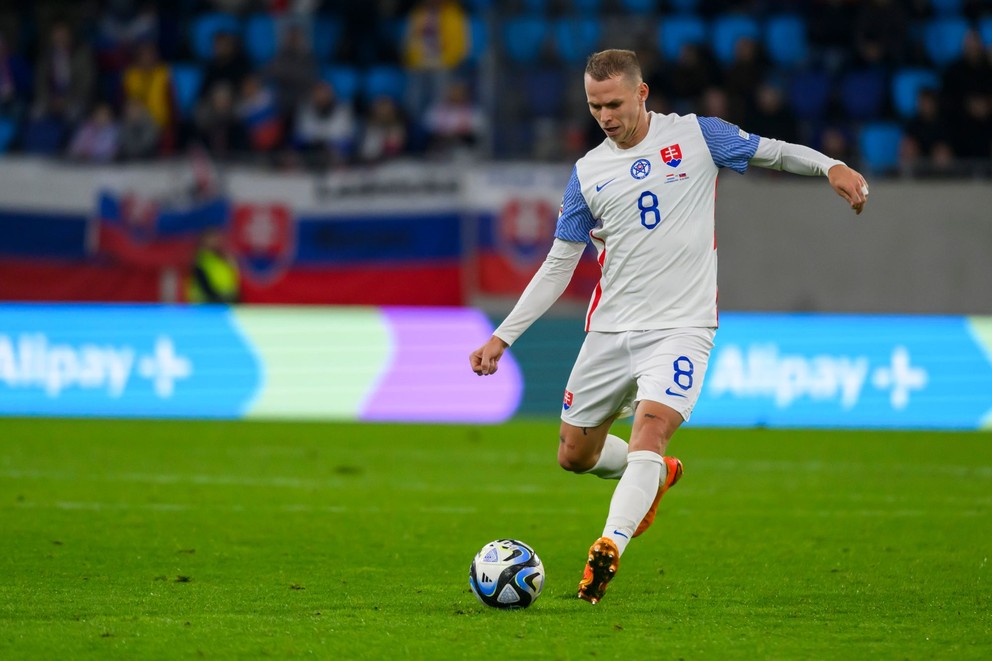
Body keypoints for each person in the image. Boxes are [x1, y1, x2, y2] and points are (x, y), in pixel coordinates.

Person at [469, 49, 869, 606]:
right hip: (610, 332)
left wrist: (831, 166)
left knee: (648, 433)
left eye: (613, 103)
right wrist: (502, 336)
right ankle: (658, 476)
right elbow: (560, 263)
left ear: (642, 93)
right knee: (574, 455)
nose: (605, 116)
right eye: (593, 106)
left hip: (682, 326)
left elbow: (772, 154)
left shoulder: (699, 137)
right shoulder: (587, 172)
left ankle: (609, 546)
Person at [187, 227, 241, 304]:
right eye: (211, 237)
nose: (216, 240)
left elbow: (233, 283)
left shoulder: (224, 258)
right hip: (205, 307)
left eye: (216, 236)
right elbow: (204, 286)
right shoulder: (199, 260)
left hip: (225, 304)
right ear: (203, 240)